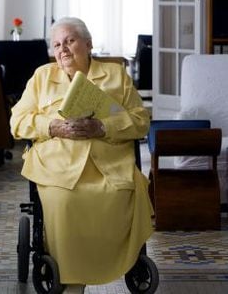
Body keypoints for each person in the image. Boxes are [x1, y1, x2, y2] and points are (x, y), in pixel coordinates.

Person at [10, 17, 154, 293]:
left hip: (109, 162)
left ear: (87, 44)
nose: (62, 49)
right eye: (56, 44)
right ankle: (71, 278)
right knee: (63, 199)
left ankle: (115, 262)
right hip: (57, 164)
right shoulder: (42, 76)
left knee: (122, 194)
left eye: (70, 41)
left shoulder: (116, 75)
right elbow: (17, 121)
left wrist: (103, 126)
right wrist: (51, 126)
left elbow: (140, 120)